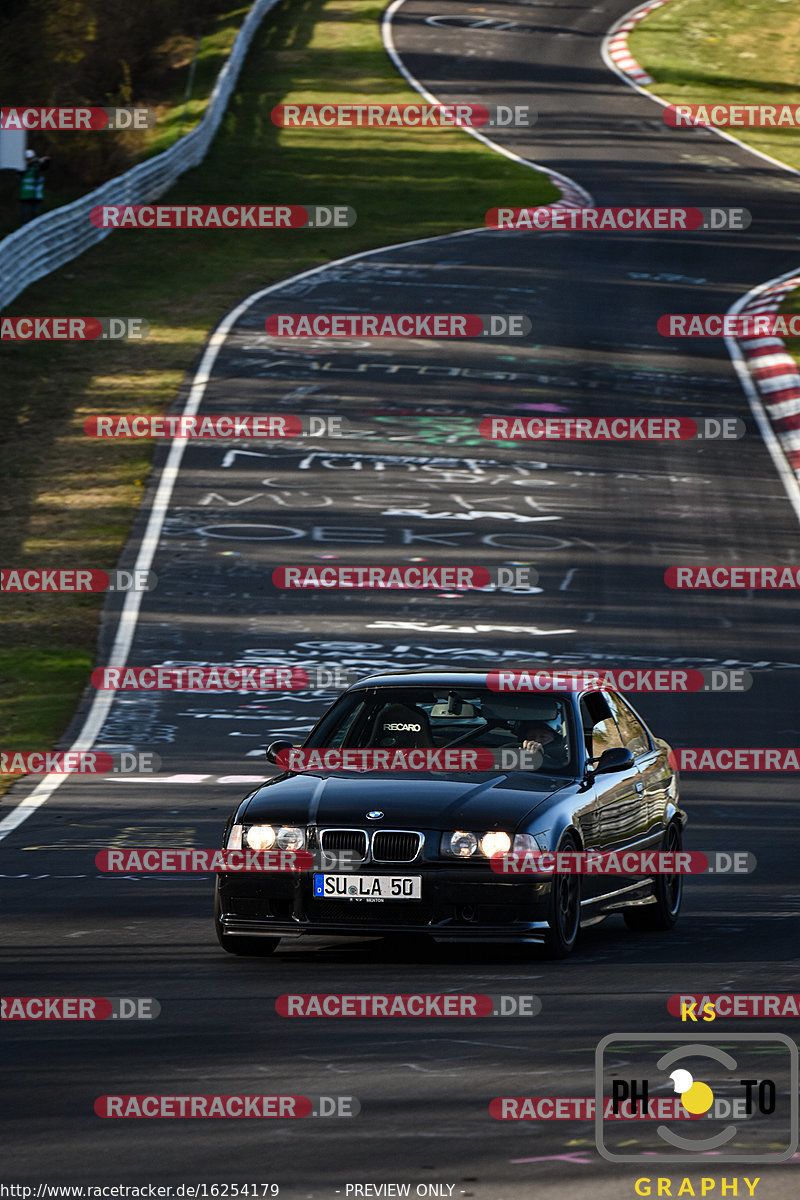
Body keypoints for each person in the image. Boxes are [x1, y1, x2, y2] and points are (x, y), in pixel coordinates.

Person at [19, 149, 51, 224]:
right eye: (27, 159)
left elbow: (45, 166)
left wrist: (45, 160)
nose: (29, 161)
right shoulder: (22, 168)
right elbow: (20, 172)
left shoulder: (38, 167)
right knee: (24, 216)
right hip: (25, 196)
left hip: (37, 196)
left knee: (36, 216)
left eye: (30, 159)